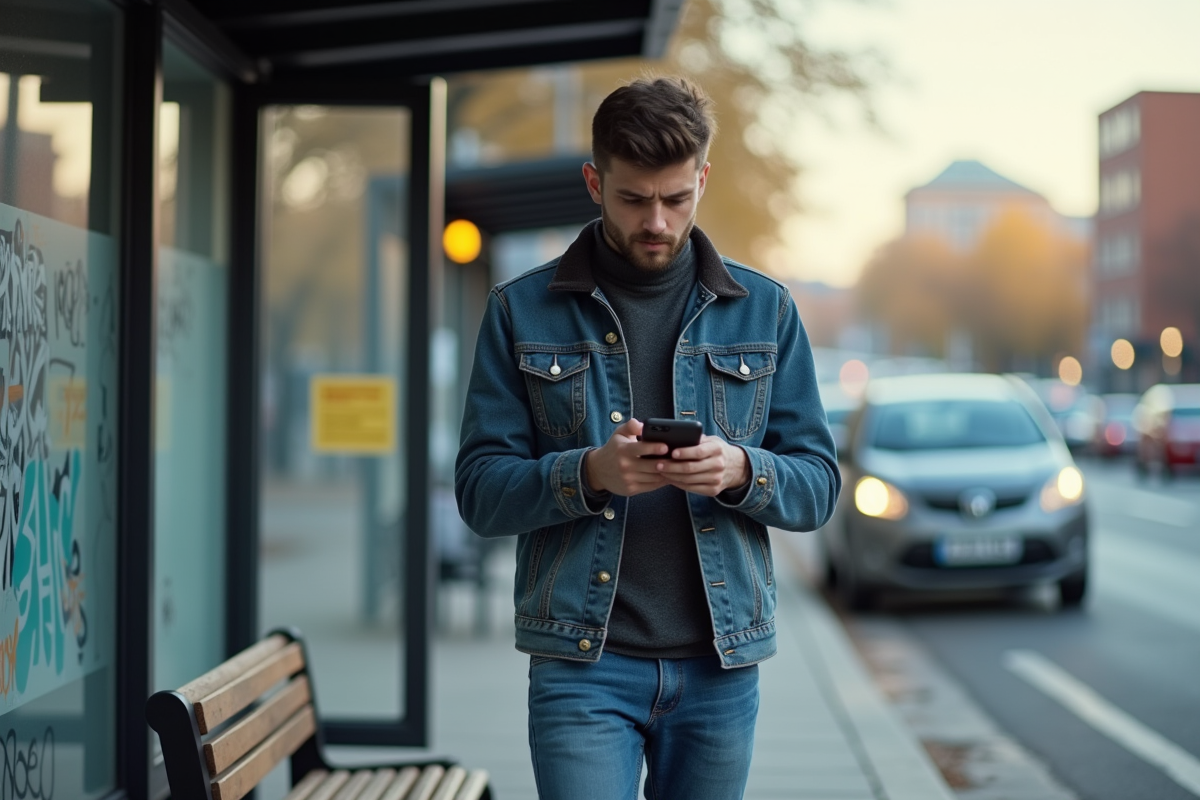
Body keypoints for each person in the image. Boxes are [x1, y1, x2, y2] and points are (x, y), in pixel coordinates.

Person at [455, 76, 840, 800]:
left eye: (676, 198)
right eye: (634, 199)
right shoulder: (521, 311)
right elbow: (479, 493)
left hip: (719, 670)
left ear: (703, 177)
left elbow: (818, 485)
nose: (657, 221)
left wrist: (739, 469)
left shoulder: (768, 310)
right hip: (581, 667)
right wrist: (589, 473)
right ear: (595, 182)